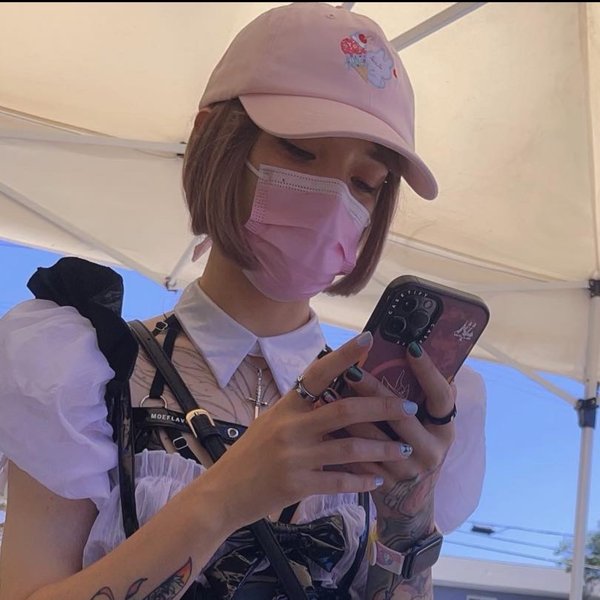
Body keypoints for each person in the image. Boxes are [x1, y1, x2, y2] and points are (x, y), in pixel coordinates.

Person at [0, 3, 486, 600]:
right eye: (300, 150)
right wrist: (227, 497)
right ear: (213, 139)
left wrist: (407, 516)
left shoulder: (378, 410)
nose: (332, 197)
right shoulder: (81, 371)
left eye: (365, 182)